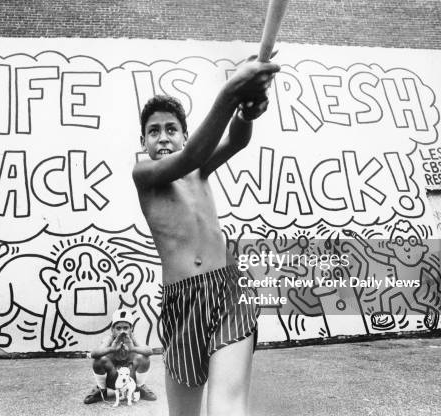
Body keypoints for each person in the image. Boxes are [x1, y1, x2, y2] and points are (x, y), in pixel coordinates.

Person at [132, 55, 280, 416]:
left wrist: (246, 111)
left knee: (226, 407)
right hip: (181, 305)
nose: (163, 137)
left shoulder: (199, 169)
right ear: (143, 140)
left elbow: (236, 141)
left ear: (184, 133)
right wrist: (231, 92)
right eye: (154, 131)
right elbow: (192, 154)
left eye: (171, 129)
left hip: (228, 290)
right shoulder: (144, 174)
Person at [83, 308, 157, 404]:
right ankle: (101, 389)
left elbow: (149, 351)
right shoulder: (109, 339)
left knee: (144, 358)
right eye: (118, 328)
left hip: (130, 378)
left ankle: (140, 387)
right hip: (113, 379)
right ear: (112, 330)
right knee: (99, 360)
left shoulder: (133, 338)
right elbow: (94, 353)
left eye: (125, 328)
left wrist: (133, 348)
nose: (122, 331)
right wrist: (111, 349)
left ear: (131, 329)